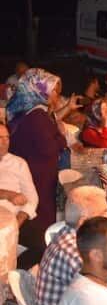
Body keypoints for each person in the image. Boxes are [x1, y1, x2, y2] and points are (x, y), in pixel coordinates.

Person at [6, 68, 67, 269]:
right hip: (39, 176)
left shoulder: (23, 110)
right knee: (40, 227)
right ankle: (30, 266)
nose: (56, 95)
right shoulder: (38, 116)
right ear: (40, 90)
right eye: (54, 90)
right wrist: (61, 137)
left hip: (28, 171)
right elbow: (49, 149)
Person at [0, 123, 38, 227]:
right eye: (0, 138)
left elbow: (32, 198)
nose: (5, 142)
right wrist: (7, 194)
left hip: (12, 221)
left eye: (7, 137)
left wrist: (17, 223)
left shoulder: (19, 163)